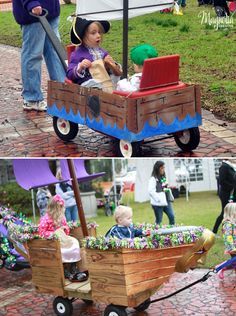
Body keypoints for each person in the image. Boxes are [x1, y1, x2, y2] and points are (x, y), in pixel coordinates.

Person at [12, 0, 66, 111]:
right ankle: (32, 98)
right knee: (33, 55)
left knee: (54, 53)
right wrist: (31, 3)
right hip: (33, 14)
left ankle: (63, 93)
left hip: (50, 10)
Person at [38, 195, 87, 282]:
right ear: (53, 209)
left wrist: (65, 229)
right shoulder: (46, 219)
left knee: (74, 242)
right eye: (59, 208)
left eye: (62, 207)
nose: (61, 210)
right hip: (53, 241)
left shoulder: (62, 218)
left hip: (63, 238)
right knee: (61, 249)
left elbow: (66, 229)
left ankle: (73, 266)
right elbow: (42, 232)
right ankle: (64, 270)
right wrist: (54, 233)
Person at [67, 17, 122, 91]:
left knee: (119, 78)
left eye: (99, 32)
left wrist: (110, 64)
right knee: (93, 83)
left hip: (106, 83)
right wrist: (80, 67)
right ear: (82, 37)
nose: (98, 35)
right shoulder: (78, 54)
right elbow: (70, 74)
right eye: (93, 33)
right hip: (88, 89)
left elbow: (113, 71)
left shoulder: (103, 52)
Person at [148, 161, 175, 226]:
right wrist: (158, 199)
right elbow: (150, 191)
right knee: (159, 220)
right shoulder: (153, 179)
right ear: (158, 168)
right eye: (162, 168)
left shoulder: (163, 177)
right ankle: (156, 233)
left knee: (172, 216)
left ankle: (172, 230)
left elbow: (164, 187)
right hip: (158, 203)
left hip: (166, 200)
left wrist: (168, 188)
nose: (163, 169)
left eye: (164, 168)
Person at [212, 159, 236, 234]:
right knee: (225, 213)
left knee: (233, 212)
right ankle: (214, 231)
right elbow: (222, 181)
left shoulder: (231, 167)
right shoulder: (224, 167)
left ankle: (232, 231)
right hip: (226, 194)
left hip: (233, 193)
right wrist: (232, 187)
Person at [217, 202, 236, 278]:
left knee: (234, 262)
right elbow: (228, 238)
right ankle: (221, 267)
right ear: (231, 212)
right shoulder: (227, 224)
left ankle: (222, 268)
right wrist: (232, 248)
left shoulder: (234, 222)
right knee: (234, 261)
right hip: (233, 247)